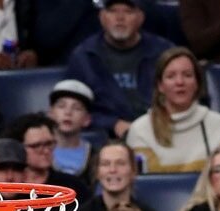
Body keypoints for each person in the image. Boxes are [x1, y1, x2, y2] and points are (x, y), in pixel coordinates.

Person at [67, 0, 175, 142]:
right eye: (113, 11)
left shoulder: (164, 51)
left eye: (128, 11)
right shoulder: (84, 57)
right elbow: (73, 109)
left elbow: (182, 96)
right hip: (108, 137)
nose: (120, 18)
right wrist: (112, 123)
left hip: (160, 131)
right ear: (101, 16)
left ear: (141, 17)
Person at [126, 47, 220, 173]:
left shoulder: (219, 125)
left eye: (187, 75)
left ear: (197, 83)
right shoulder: (140, 131)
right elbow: (146, 186)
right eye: (171, 76)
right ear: (160, 86)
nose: (180, 82)